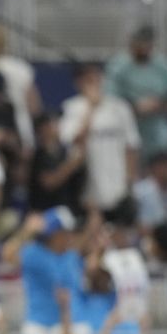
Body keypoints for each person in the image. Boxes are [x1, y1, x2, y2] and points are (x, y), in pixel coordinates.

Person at [60, 64, 140, 223]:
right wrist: (91, 108)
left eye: (97, 78)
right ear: (79, 82)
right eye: (88, 79)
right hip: (88, 183)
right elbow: (74, 139)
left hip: (118, 181)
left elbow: (131, 145)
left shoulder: (120, 107)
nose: (94, 83)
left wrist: (130, 180)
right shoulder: (71, 107)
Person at [105, 26, 167, 162]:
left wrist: (158, 105)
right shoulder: (117, 66)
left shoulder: (164, 65)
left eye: (147, 43)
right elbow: (109, 103)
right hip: (125, 133)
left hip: (158, 134)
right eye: (139, 43)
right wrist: (135, 108)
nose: (143, 48)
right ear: (131, 43)